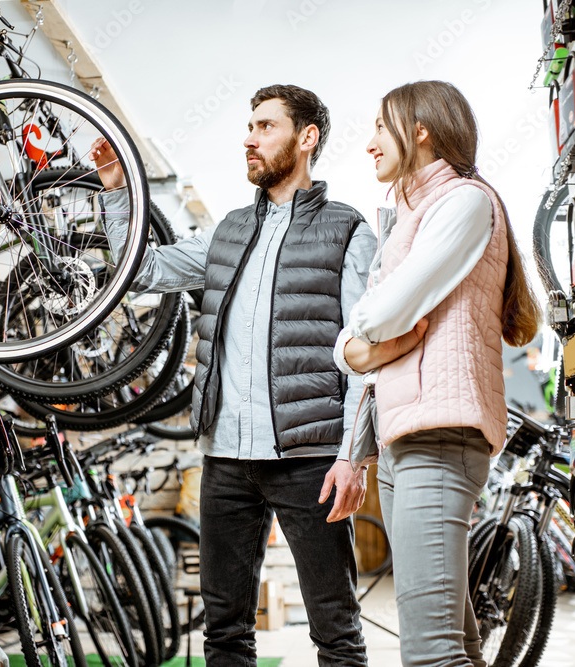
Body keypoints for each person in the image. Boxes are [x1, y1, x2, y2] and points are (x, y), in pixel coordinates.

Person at [91, 84, 375, 666]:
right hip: (226, 458)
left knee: (337, 632)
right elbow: (140, 272)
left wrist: (355, 454)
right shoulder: (227, 232)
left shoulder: (348, 230)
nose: (250, 139)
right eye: (249, 127)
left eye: (266, 127)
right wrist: (117, 194)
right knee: (223, 632)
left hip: (311, 458)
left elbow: (363, 355)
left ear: (307, 138)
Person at [329, 81, 542, 667]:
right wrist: (358, 349)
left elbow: (380, 313)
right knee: (454, 642)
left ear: (419, 130)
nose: (370, 142)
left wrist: (360, 338)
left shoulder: (464, 202)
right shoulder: (411, 214)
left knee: (430, 652)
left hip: (440, 441)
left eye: (380, 126)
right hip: (405, 443)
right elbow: (357, 341)